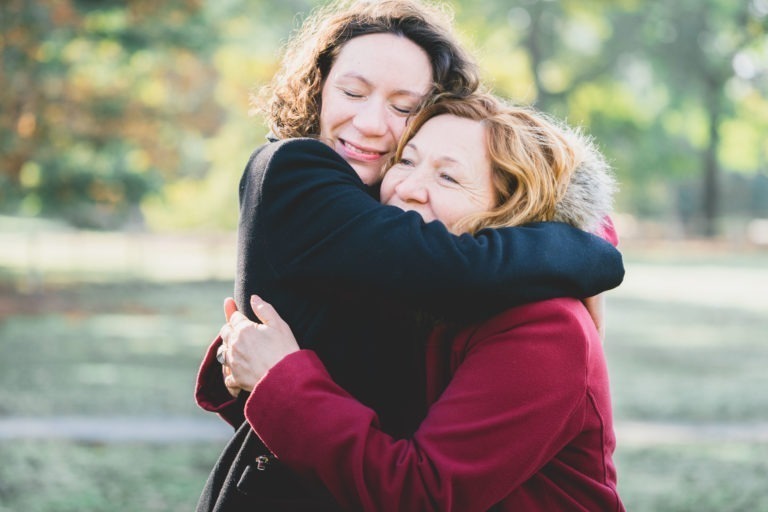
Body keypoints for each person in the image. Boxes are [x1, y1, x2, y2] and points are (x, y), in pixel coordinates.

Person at [194, 0, 624, 509]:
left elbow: (417, 486)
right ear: (319, 87)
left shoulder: (527, 316)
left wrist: (277, 379)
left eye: (404, 109)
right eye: (352, 91)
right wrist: (590, 251)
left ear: (508, 203)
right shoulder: (293, 168)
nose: (373, 124)